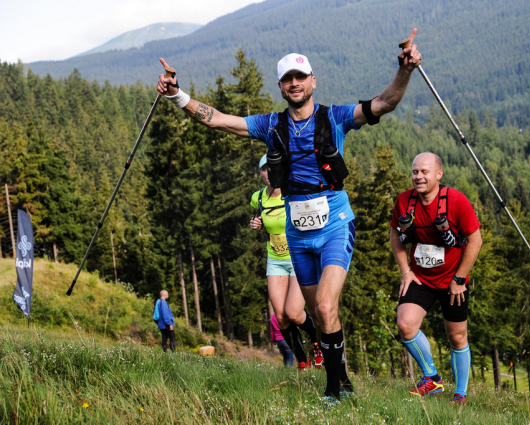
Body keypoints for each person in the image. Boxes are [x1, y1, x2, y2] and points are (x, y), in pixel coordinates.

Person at [157, 29, 423, 402]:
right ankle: (342, 377)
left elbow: (383, 103)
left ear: (313, 81)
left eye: (301, 77)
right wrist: (177, 95)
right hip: (297, 229)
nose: (295, 84)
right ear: (281, 87)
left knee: (327, 305)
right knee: (317, 313)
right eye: (288, 79)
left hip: (333, 222)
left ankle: (333, 390)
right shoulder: (271, 126)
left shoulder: (336, 118)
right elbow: (217, 119)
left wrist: (405, 71)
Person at [390, 153, 482, 406]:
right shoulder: (404, 201)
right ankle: (432, 378)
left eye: (424, 172)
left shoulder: (456, 201)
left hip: (453, 279)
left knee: (457, 337)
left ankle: (460, 394)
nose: (418, 176)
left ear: (438, 174)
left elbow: (475, 240)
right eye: (415, 171)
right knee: (405, 324)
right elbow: (395, 236)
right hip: (421, 278)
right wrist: (405, 271)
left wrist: (460, 278)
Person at [251, 154, 323, 371]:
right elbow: (259, 216)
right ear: (261, 173)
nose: (269, 173)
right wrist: (256, 223)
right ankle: (302, 362)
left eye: (273, 168)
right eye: (265, 169)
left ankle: (317, 342)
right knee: (281, 317)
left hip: (297, 257)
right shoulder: (258, 198)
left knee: (294, 313)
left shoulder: (294, 193)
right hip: (275, 259)